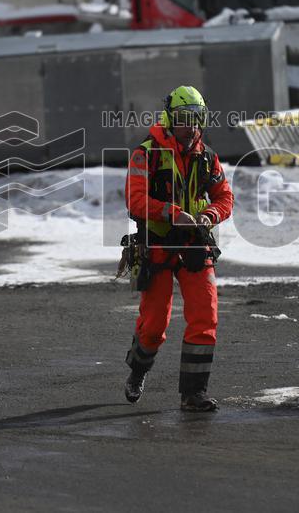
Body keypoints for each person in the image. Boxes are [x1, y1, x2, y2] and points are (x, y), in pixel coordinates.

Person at [121, 85, 234, 412]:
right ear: (170, 118)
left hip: (195, 247)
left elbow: (225, 198)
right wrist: (173, 214)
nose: (192, 126)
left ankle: (193, 394)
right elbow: (135, 200)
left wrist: (210, 214)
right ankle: (137, 371)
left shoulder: (207, 157)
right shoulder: (146, 153)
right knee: (155, 325)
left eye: (198, 119)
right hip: (156, 248)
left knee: (205, 316)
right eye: (185, 119)